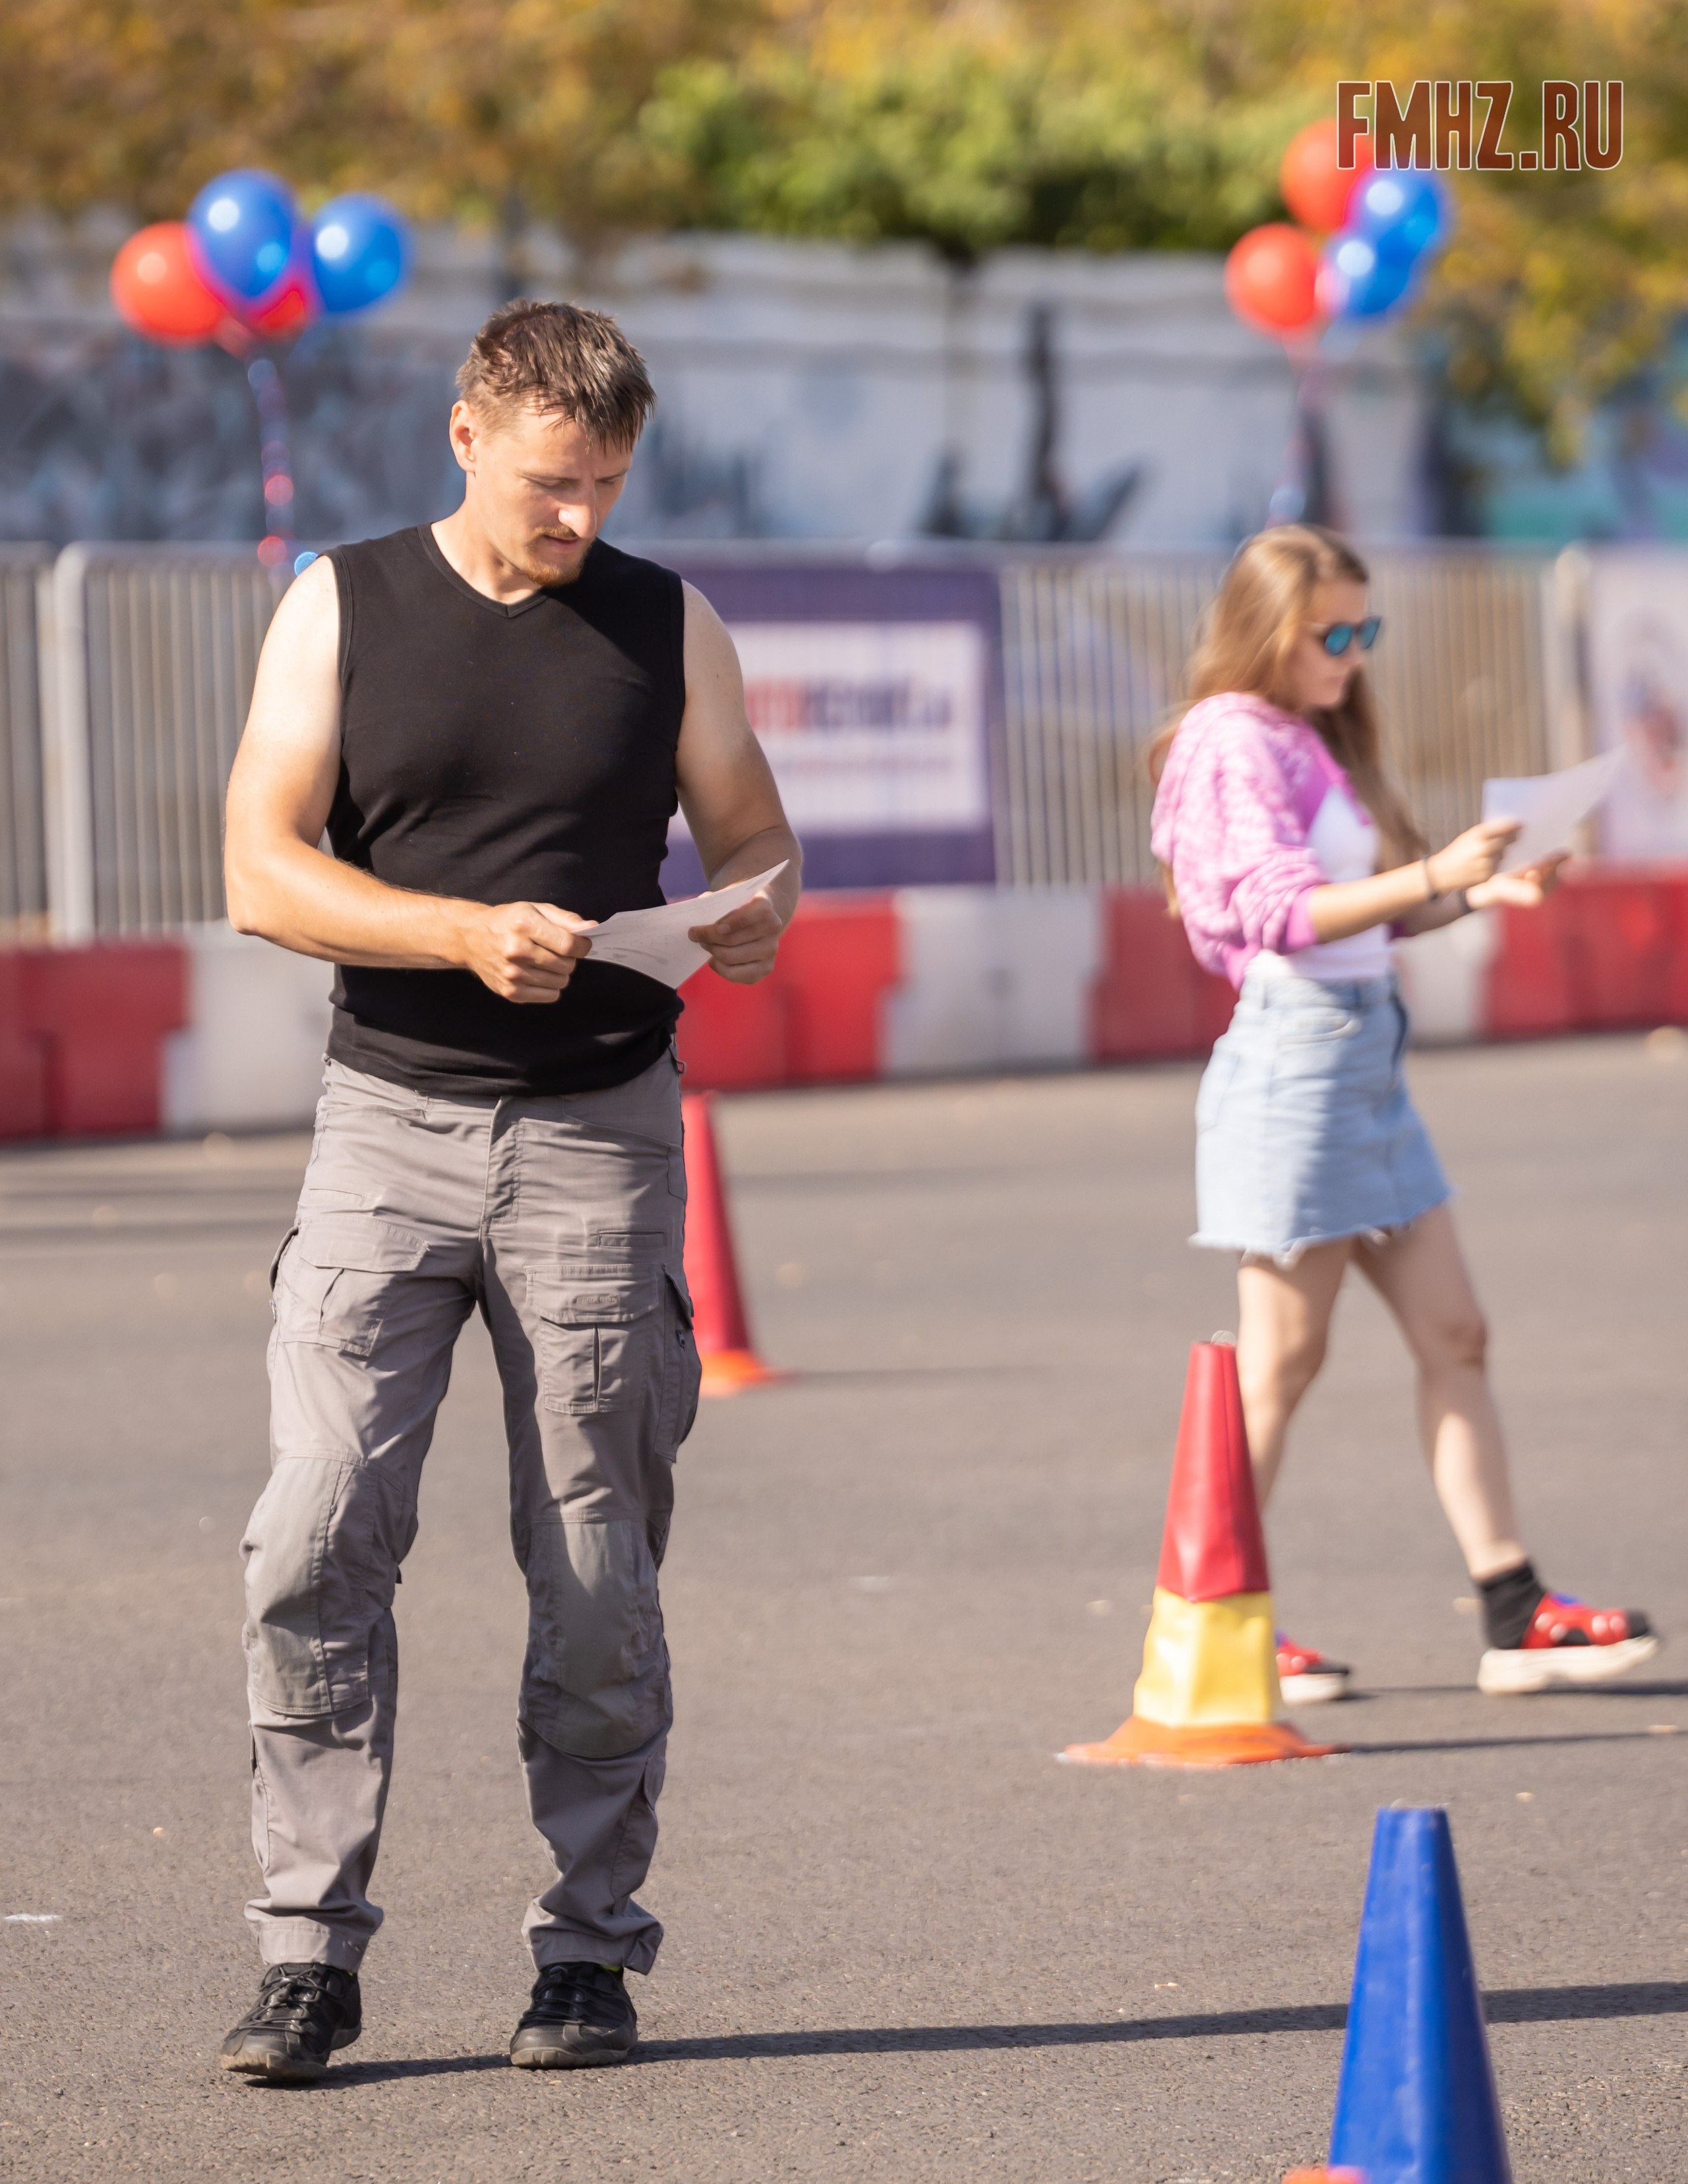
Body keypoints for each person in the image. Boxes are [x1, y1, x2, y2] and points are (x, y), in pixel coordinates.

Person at [216, 299, 802, 2081]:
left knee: (599, 1565)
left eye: (608, 484)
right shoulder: (341, 601)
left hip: (600, 1140)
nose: (580, 519)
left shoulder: (666, 619)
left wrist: (752, 913)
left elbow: (758, 849)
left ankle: (587, 1949)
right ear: (466, 434)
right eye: (555, 482)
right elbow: (260, 869)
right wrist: (461, 932)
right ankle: (306, 1950)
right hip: (383, 1125)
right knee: (316, 1534)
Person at [1149, 523, 1657, 1705]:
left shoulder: (1316, 734)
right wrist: (1438, 876)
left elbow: (1363, 913)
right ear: (1266, 628)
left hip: (1362, 1060)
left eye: (1365, 630)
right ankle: (1214, 1620)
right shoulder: (1232, 738)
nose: (1354, 653)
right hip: (1295, 1066)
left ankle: (1514, 1608)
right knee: (1281, 1363)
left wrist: (1481, 880)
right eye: (1334, 632)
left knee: (1457, 1334)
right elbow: (1282, 913)